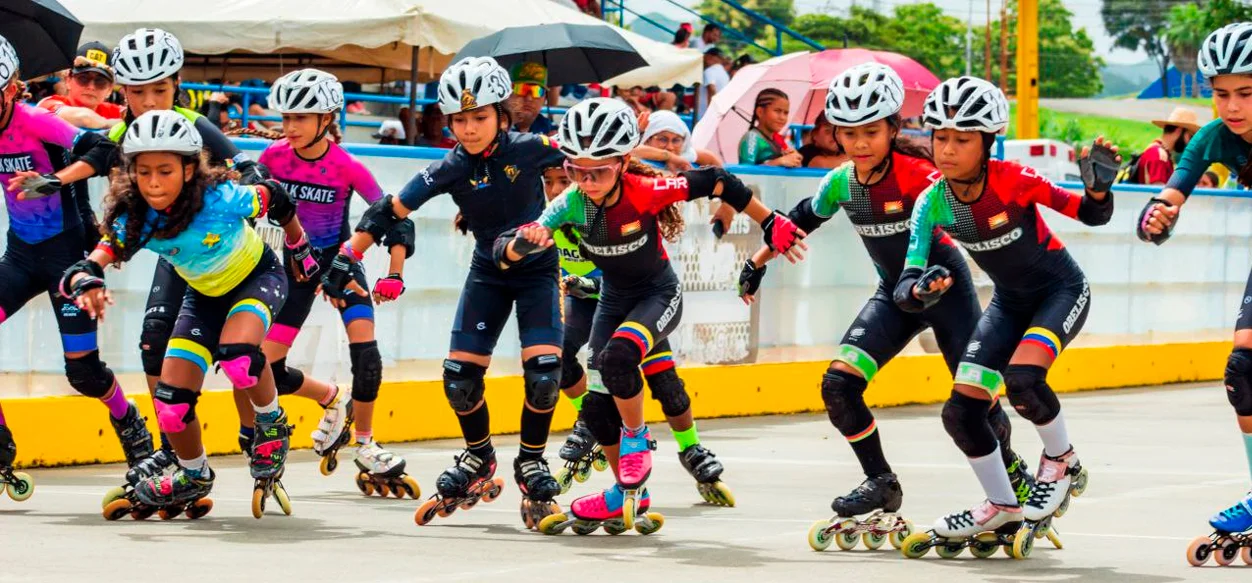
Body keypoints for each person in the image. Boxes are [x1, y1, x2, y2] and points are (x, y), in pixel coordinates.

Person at [741, 63, 1031, 550]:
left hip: (946, 291)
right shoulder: (842, 182)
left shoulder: (919, 175)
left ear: (894, 128)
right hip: (893, 296)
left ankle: (1012, 479)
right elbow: (800, 220)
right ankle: (881, 481)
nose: (858, 143)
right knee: (838, 385)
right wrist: (758, 260)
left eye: (871, 132)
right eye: (848, 132)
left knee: (975, 404)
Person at [500, 98, 806, 534]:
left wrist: (770, 221)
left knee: (621, 359)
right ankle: (630, 494)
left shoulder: (646, 190)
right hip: (612, 301)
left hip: (658, 294)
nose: (586, 181)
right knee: (597, 408)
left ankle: (639, 439)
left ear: (624, 162)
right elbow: (519, 243)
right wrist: (523, 242)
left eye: (599, 171)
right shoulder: (569, 203)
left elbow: (718, 180)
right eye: (576, 171)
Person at [320, 57, 567, 530]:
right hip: (487, 273)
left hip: (537, 271)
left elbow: (590, 160)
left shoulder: (531, 148)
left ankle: (532, 462)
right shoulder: (451, 166)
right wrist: (348, 256)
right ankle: (479, 458)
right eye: (459, 120)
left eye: (479, 118)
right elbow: (388, 210)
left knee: (543, 374)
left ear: (502, 114)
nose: (468, 129)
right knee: (459, 379)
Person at [895, 76, 1116, 559]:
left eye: (962, 140)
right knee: (960, 410)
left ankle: (1062, 460)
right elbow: (904, 286)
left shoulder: (1013, 179)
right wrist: (920, 290)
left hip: (1060, 290)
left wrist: (1099, 193)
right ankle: (1002, 505)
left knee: (1022, 379)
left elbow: (1090, 215)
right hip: (1010, 303)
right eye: (940, 137)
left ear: (987, 143)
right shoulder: (931, 201)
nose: (947, 150)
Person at [66, 111, 306, 516]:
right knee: (172, 407)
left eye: (165, 170)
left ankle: (271, 421)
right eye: (143, 173)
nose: (154, 183)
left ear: (190, 168)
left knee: (239, 357)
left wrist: (299, 248)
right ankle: (193, 474)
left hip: (257, 277)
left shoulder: (221, 198)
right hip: (205, 297)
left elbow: (278, 198)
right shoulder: (138, 216)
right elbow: (96, 259)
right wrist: (87, 278)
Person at [105, 27, 283, 480]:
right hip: (172, 249)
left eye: (159, 90)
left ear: (177, 85)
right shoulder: (119, 132)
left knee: (238, 352)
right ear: (122, 91)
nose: (149, 103)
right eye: (137, 92)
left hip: (217, 248)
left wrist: (244, 183)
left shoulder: (194, 125)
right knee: (153, 340)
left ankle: (255, 429)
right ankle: (173, 450)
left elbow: (247, 166)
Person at [242, 69, 420, 497]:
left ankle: (366, 443)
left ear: (327, 118)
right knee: (264, 367)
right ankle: (328, 397)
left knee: (367, 354)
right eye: (286, 118)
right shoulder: (273, 158)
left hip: (339, 263)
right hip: (291, 267)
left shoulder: (346, 166)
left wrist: (395, 271)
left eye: (301, 118)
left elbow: (391, 217)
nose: (290, 128)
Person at [546, 108, 735, 507]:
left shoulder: (634, 189)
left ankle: (690, 447)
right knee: (561, 357)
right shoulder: (566, 204)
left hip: (639, 295)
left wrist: (674, 163)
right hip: (591, 300)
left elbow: (715, 174)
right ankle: (593, 422)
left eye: (674, 141)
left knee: (662, 380)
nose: (577, 183)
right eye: (561, 179)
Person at [0, 34, 144, 495]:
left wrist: (52, 181)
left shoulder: (34, 121)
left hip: (69, 260)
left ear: (10, 90)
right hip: (20, 255)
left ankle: (134, 434)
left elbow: (105, 153)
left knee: (83, 373)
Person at [1138, 23, 1252, 563]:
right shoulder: (1213, 137)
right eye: (1221, 92)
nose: (1231, 106)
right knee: (1245, 370)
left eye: (1246, 93)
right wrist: (1158, 219)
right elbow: (1170, 196)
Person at [37, 41, 123, 129]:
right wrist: (109, 123)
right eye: (83, 79)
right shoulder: (48, 103)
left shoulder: (114, 111)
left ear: (109, 89)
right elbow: (85, 118)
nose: (91, 87)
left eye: (100, 82)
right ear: (68, 80)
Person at [1134, 107, 1200, 185]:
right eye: (1190, 136)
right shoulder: (1159, 156)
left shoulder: (1158, 152)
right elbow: (1159, 193)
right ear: (1178, 130)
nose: (1190, 142)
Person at [739, 88, 801, 167]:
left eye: (786, 113)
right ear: (760, 112)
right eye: (777, 111)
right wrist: (779, 161)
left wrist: (794, 159)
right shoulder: (752, 138)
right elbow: (744, 172)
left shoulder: (777, 139)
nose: (782, 117)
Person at [508, 62, 555, 136]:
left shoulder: (550, 128)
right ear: (507, 93)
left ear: (545, 98)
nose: (529, 98)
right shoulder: (496, 129)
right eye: (522, 89)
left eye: (537, 91)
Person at [697, 47, 729, 120]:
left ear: (710, 57)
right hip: (718, 113)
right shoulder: (725, 74)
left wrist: (710, 113)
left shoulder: (709, 71)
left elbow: (712, 89)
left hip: (705, 115)